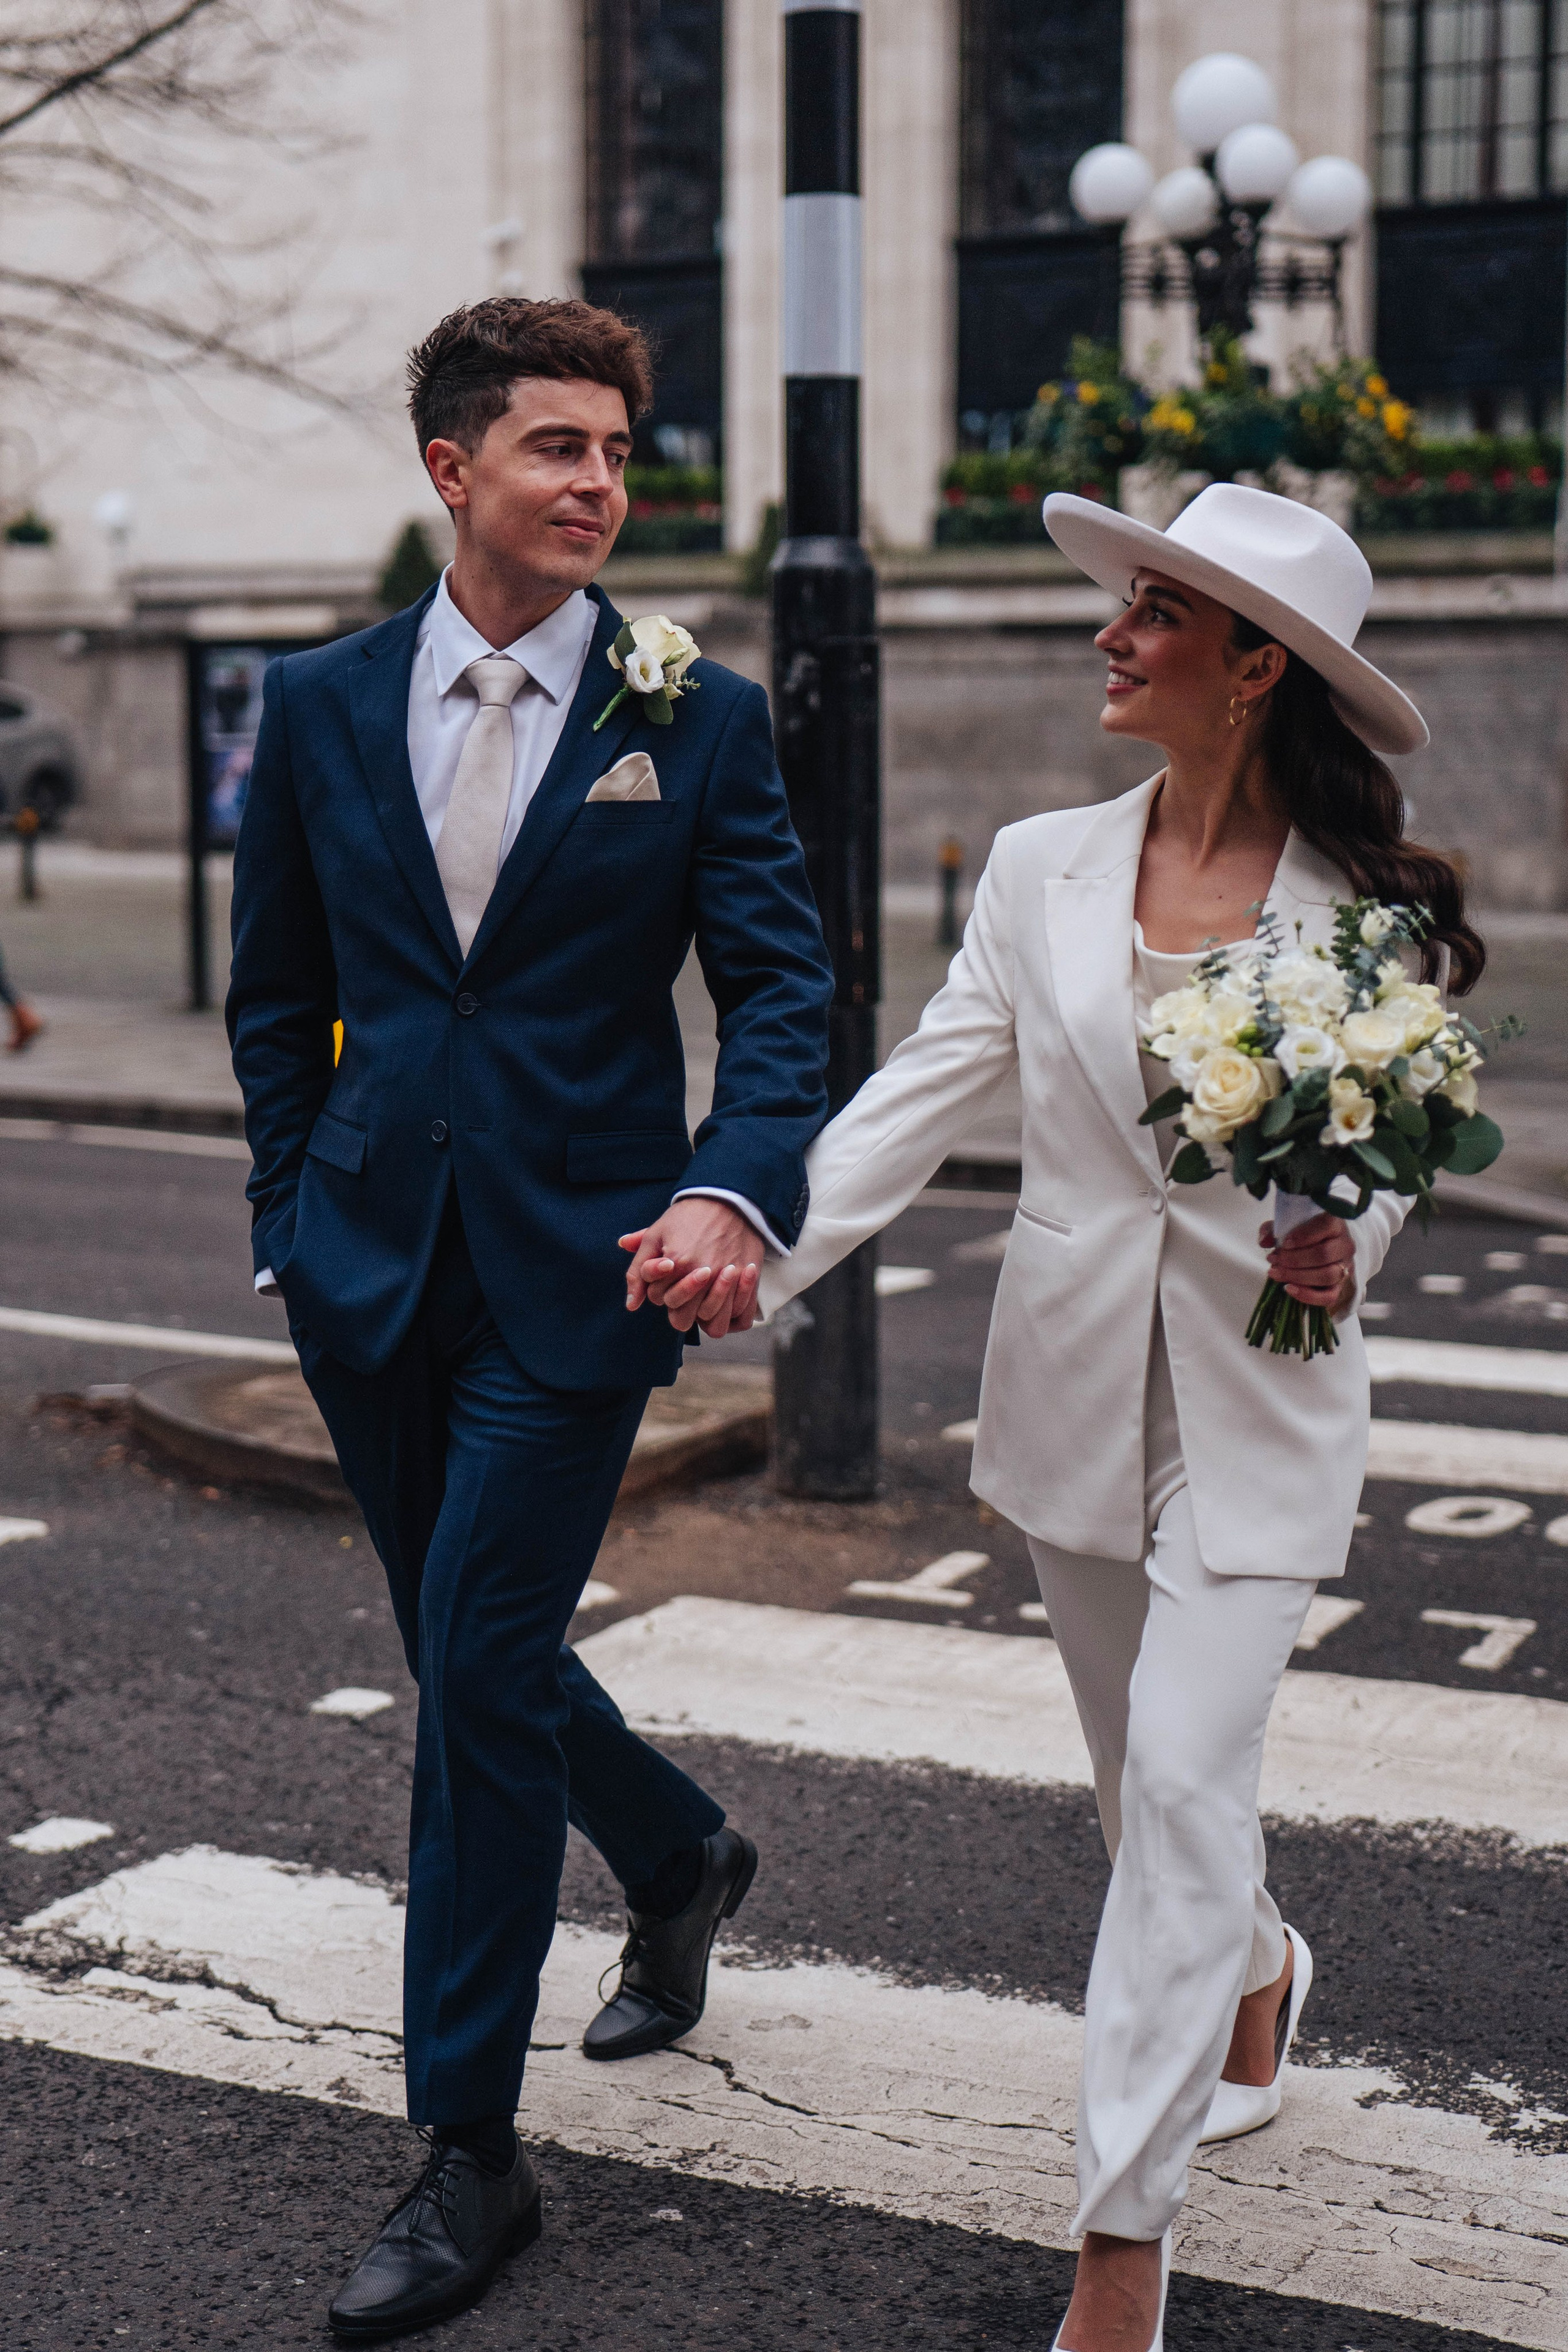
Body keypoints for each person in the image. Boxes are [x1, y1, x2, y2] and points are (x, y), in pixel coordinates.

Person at [755, 483, 1485, 2352]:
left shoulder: (1370, 919)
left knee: (1177, 1773)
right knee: (1135, 1790)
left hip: (1265, 1406)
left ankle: (1118, 2249)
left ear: (1255, 667)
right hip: (1076, 1394)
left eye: (1153, 609)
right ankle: (1254, 1965)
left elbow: (1377, 1169)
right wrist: (755, 1255)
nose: (1110, 632)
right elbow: (918, 1094)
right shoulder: (1036, 869)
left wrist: (1345, 1244)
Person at [227, 297, 832, 2343]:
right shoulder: (317, 706)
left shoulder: (699, 712)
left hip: (585, 1271)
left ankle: (468, 2149)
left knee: (475, 1669)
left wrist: (730, 1187)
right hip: (366, 1262)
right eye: (556, 448)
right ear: (451, 471)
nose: (597, 485)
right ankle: (678, 1854)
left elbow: (780, 996)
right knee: (463, 1643)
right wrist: (282, 1214)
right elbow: (272, 987)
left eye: (616, 452)